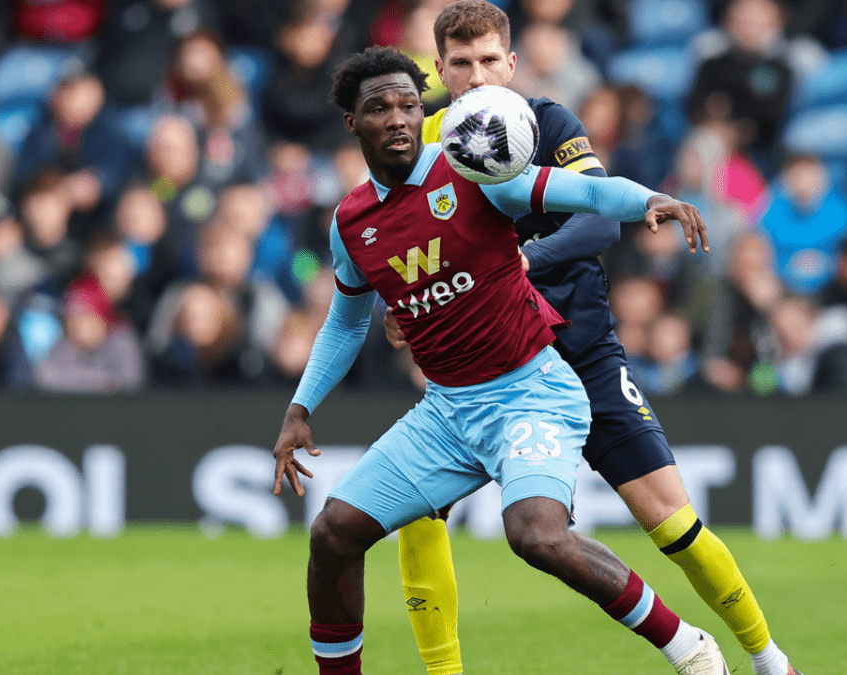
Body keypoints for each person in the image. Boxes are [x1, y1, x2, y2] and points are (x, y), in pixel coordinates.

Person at [269, 46, 729, 675]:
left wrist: (651, 199)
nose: (400, 118)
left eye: (410, 104)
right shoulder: (352, 224)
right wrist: (300, 409)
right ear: (353, 122)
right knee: (332, 534)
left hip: (531, 392)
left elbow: (582, 192)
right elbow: (346, 321)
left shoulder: (471, 173)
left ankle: (688, 646)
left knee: (535, 536)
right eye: (380, 108)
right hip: (448, 411)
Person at [386, 3, 802, 675]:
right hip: (484, 371)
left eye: (489, 59)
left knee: (672, 521)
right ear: (439, 69)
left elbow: (602, 222)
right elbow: (405, 248)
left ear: (512, 64)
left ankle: (769, 659)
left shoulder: (548, 124)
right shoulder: (423, 144)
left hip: (579, 353)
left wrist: (522, 264)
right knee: (417, 506)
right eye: (459, 63)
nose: (475, 75)